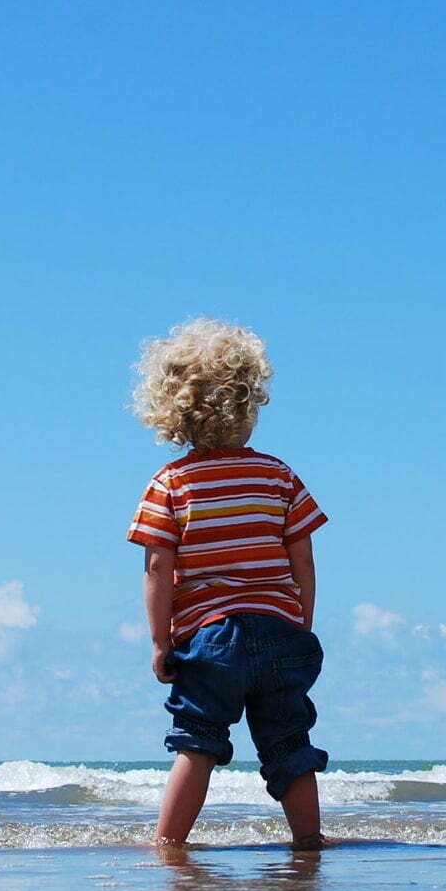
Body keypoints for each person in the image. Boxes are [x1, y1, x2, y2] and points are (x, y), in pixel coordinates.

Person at [127, 318, 329, 849]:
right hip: (281, 632)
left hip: (210, 639)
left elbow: (157, 569)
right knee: (289, 742)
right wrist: (300, 621)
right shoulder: (279, 476)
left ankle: (169, 845)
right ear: (249, 405)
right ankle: (309, 842)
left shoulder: (170, 484)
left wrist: (160, 641)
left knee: (197, 742)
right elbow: (302, 557)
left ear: (176, 413)